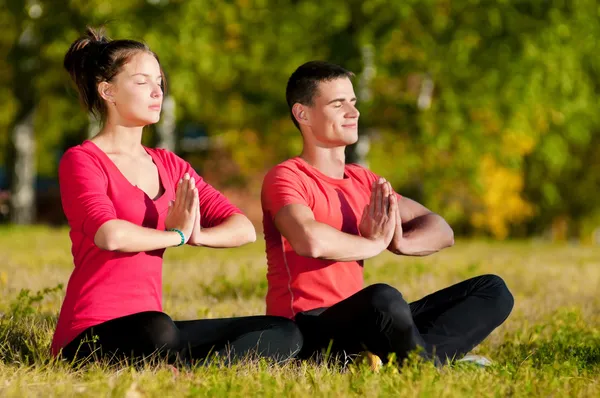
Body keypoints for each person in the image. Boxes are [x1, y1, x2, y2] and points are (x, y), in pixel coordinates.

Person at [51, 27, 302, 366]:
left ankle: (188, 370)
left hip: (155, 328)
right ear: (108, 91)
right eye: (142, 82)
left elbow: (242, 227)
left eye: (159, 82)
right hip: (91, 334)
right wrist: (177, 235)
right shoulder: (82, 159)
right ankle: (178, 364)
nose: (157, 92)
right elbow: (109, 234)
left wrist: (197, 235)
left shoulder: (169, 164)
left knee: (282, 331)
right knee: (158, 328)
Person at [261, 60, 514, 367]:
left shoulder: (363, 180)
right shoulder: (286, 177)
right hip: (308, 330)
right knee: (384, 299)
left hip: (363, 321)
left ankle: (415, 358)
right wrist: (375, 243)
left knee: (492, 290)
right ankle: (425, 363)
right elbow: (308, 239)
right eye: (338, 104)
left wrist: (400, 242)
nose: (353, 113)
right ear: (303, 114)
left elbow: (442, 230)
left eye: (353, 103)